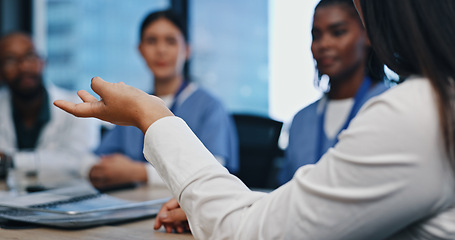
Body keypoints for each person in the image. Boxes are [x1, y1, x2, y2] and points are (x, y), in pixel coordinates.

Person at [54, 0, 455, 238]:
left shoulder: (414, 110)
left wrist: (151, 115)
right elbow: (316, 205)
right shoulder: (429, 102)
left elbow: (247, 232)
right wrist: (223, 204)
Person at [90, 9, 238, 189]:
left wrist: (139, 173)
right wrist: (97, 170)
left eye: (171, 41)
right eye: (151, 41)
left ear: (187, 50)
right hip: (133, 204)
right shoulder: (132, 105)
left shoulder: (209, 107)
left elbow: (215, 172)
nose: (161, 50)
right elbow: (95, 158)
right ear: (140, 50)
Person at [279, 0, 389, 184]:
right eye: (316, 35)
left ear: (367, 36)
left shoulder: (391, 106)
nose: (324, 44)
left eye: (338, 32)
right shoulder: (301, 121)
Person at [0, 32, 100, 186]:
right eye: (11, 60)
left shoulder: (77, 106)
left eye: (30, 56)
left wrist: (10, 161)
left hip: (65, 198)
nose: (24, 66)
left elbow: (81, 162)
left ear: (42, 62)